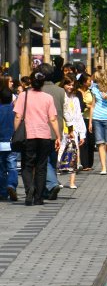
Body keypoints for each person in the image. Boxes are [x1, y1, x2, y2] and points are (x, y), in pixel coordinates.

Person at [14, 69, 60, 206]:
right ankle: (39, 197)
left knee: (27, 165)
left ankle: (29, 188)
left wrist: (16, 132)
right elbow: (52, 119)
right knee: (41, 166)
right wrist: (58, 136)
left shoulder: (23, 96)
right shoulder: (48, 98)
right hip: (44, 136)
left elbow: (18, 116)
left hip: (28, 135)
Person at [39, 63, 64, 200]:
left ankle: (52, 184)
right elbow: (65, 112)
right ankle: (49, 188)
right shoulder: (60, 91)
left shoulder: (36, 90)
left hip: (41, 131)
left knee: (43, 161)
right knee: (52, 161)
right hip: (56, 131)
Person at [59, 74, 85, 189]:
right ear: (63, 84)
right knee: (60, 154)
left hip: (73, 130)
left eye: (72, 85)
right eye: (68, 84)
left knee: (73, 154)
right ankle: (57, 180)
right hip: (61, 129)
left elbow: (79, 116)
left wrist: (82, 134)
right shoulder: (60, 96)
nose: (70, 87)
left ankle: (72, 181)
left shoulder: (75, 99)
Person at [0, 87, 18, 201]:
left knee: (1, 168)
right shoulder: (15, 110)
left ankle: (2, 191)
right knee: (12, 166)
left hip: (1, 143)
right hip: (12, 142)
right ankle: (11, 185)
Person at [76, 73, 95, 171]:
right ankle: (84, 164)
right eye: (89, 80)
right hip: (80, 119)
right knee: (83, 141)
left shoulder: (90, 91)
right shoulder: (77, 92)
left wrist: (89, 106)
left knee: (91, 141)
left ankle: (90, 164)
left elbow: (94, 104)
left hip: (89, 118)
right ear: (83, 82)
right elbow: (79, 105)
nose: (90, 82)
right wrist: (88, 106)